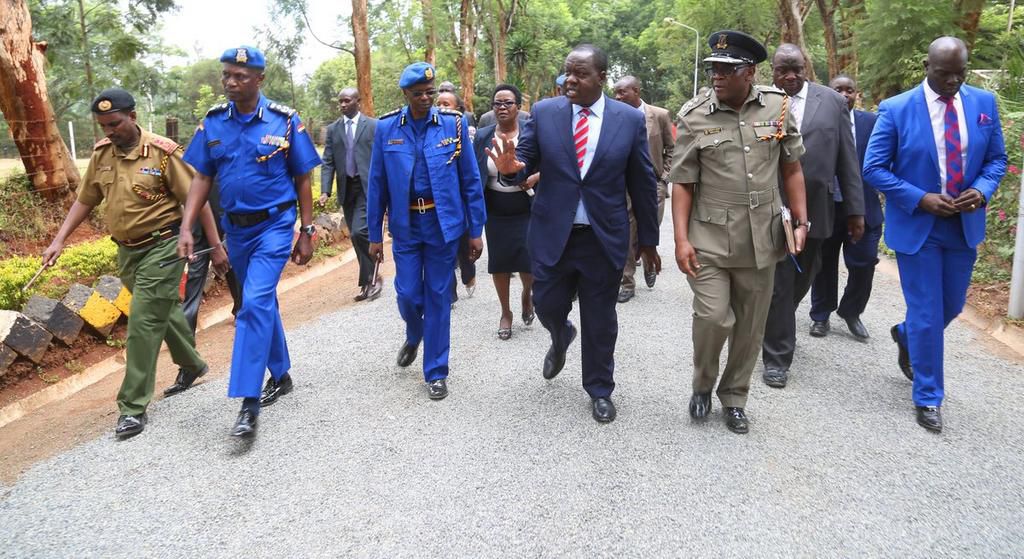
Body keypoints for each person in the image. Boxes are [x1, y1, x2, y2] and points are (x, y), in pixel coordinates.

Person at [41, 88, 228, 439]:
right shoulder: (101, 155)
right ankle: (192, 364)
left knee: (142, 320)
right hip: (127, 251)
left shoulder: (161, 153)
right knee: (162, 312)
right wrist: (59, 239)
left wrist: (215, 245)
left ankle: (132, 406)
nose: (109, 131)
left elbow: (198, 201)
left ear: (132, 116)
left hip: (165, 245)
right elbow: (86, 200)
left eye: (115, 123)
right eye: (103, 125)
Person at [488, 44, 660, 423]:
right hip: (553, 233)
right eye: (567, 72)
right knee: (547, 303)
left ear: (601, 77)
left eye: (580, 74)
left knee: (600, 319)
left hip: (603, 237)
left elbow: (643, 183)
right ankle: (560, 333)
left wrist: (648, 241)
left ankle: (599, 389)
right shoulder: (547, 113)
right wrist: (511, 168)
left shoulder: (627, 120)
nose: (570, 80)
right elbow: (523, 160)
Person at [863, 37, 1007, 433]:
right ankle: (928, 396)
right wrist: (920, 198)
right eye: (944, 73)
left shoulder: (983, 104)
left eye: (960, 73)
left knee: (951, 307)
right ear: (927, 66)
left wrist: (983, 189)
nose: (953, 81)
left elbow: (997, 160)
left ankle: (906, 335)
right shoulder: (896, 109)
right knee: (927, 314)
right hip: (918, 226)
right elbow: (873, 168)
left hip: (963, 224)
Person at [178, 45, 322, 438]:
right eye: (226, 74)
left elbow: (303, 178)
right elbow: (202, 178)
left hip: (275, 226)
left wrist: (306, 231)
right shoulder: (213, 123)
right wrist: (187, 226)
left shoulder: (284, 121)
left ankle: (248, 401)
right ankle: (282, 374)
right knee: (262, 303)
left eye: (240, 76)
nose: (230, 81)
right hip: (236, 230)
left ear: (259, 79)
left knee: (253, 303)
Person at [669, 31, 807, 434]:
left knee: (749, 327)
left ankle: (734, 397)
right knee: (713, 317)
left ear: (749, 73)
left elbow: (792, 168)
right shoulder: (694, 115)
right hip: (710, 236)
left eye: (727, 70)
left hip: (762, 236)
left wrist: (802, 222)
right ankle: (702, 386)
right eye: (713, 68)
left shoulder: (778, 108)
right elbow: (682, 183)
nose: (717, 76)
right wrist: (680, 239)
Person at [367, 62, 487, 400]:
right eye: (417, 94)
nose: (424, 98)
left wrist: (475, 229)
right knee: (406, 293)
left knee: (437, 296)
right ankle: (415, 332)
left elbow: (471, 182)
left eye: (429, 93)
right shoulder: (387, 128)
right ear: (405, 94)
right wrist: (374, 235)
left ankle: (436, 371)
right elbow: (376, 186)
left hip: (443, 225)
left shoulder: (454, 125)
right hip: (406, 226)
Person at [760, 43, 865, 390]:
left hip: (817, 208)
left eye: (796, 68)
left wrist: (855, 209)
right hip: (769, 206)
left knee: (804, 277)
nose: (789, 76)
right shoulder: (758, 100)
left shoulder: (832, 102)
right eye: (782, 69)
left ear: (807, 67)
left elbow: (847, 159)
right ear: (772, 71)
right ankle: (776, 357)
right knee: (780, 280)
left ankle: (775, 323)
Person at [808, 75, 881, 341]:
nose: (844, 95)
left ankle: (851, 311)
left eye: (849, 90)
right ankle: (820, 314)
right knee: (823, 262)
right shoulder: (817, 119)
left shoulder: (871, 123)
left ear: (856, 94)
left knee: (864, 262)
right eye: (838, 90)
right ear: (830, 93)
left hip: (864, 207)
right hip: (826, 206)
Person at [474, 84, 539, 340]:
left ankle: (527, 295)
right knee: (499, 262)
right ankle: (505, 312)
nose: (502, 107)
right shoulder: (483, 136)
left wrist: (534, 177)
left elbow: (551, 163)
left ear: (519, 106)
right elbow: (475, 172)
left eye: (508, 103)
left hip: (527, 206)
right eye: (497, 103)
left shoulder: (531, 134)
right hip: (496, 208)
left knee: (528, 260)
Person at [169, 180, 242, 396]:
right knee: (192, 295)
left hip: (227, 226)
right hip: (198, 235)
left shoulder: (223, 156)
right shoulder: (192, 163)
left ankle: (240, 308)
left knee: (232, 272)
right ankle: (187, 364)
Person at [612, 75, 674, 302]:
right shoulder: (614, 116)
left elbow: (671, 149)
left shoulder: (659, 115)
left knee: (649, 226)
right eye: (615, 92)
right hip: (623, 185)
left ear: (636, 91)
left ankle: (649, 260)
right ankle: (627, 282)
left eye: (622, 92)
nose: (617, 97)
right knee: (627, 233)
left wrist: (665, 178)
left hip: (653, 183)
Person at [320, 87, 381, 302]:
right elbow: (328, 161)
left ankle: (373, 278)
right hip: (347, 189)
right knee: (356, 239)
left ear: (358, 101)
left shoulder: (373, 126)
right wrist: (325, 190)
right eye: (340, 102)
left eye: (347, 101)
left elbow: (382, 157)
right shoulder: (334, 129)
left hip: (368, 187)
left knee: (358, 232)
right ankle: (368, 280)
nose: (343, 105)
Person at [436, 91, 478, 299]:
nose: (442, 107)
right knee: (445, 249)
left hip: (459, 198)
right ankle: (450, 292)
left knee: (462, 242)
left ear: (458, 109)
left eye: (447, 104)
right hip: (440, 200)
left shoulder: (461, 124)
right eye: (439, 103)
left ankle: (469, 273)